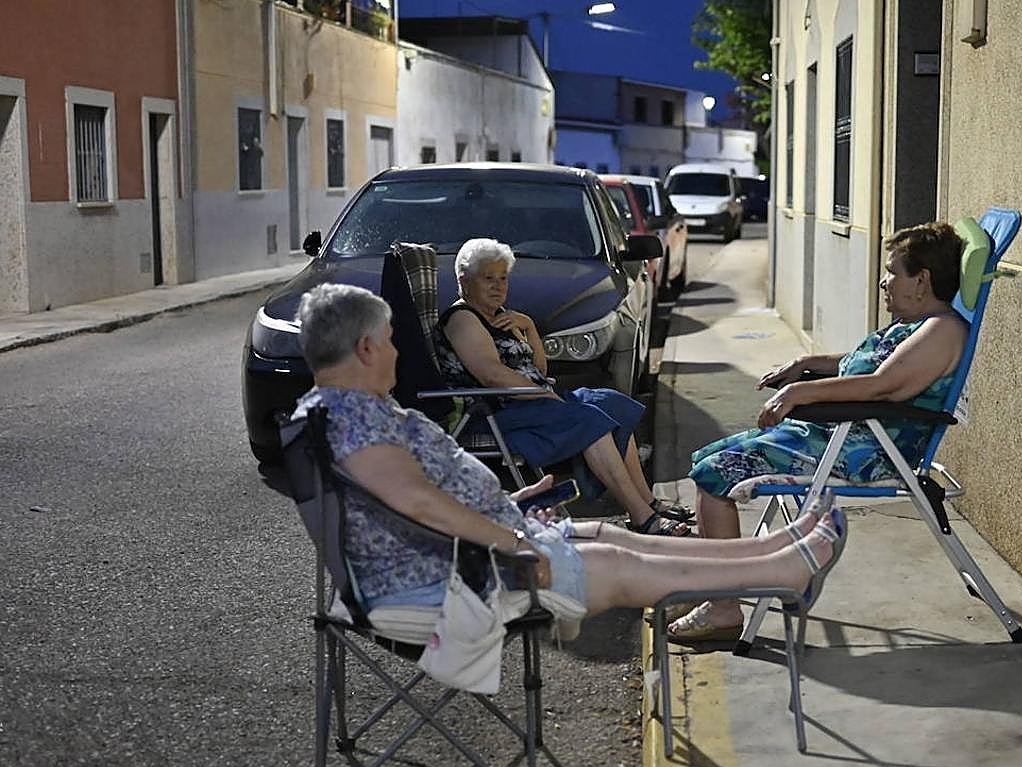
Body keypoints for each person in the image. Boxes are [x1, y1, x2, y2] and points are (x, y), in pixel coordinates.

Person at [290, 282, 847, 624]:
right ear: (365, 347)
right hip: (446, 582)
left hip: (466, 553)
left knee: (614, 537)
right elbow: (420, 504)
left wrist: (509, 501)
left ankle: (774, 553)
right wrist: (508, 537)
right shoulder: (350, 420)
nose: (394, 354)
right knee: (619, 563)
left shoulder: (350, 411)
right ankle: (779, 571)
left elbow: (412, 499)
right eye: (389, 342)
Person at [669, 221, 967, 641]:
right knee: (707, 460)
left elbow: (883, 384)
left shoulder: (942, 330)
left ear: (922, 280)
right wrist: (805, 363)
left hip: (864, 450)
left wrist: (800, 392)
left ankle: (724, 607)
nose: (884, 282)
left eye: (892, 272)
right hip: (837, 434)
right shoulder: (913, 325)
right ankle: (718, 584)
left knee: (717, 474)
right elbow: (861, 363)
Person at [434, 238, 691, 537]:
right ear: (464, 281)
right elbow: (491, 376)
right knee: (590, 421)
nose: (498, 286)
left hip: (532, 403)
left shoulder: (501, 316)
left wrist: (528, 326)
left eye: (503, 278)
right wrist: (543, 393)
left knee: (613, 404)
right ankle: (641, 515)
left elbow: (539, 369)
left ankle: (648, 500)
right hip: (496, 413)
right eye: (488, 278)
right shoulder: (463, 319)